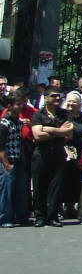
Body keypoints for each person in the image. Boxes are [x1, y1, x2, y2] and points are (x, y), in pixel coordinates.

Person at [30, 87, 72, 227]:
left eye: (59, 96)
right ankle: (40, 216)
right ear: (46, 98)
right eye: (54, 96)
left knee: (56, 186)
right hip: (41, 154)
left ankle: (53, 215)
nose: (57, 98)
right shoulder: (38, 114)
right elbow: (37, 135)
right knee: (39, 186)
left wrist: (47, 129)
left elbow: (69, 134)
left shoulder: (64, 114)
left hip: (58, 153)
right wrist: (59, 131)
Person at [0, 91, 30, 227]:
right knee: (6, 190)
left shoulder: (18, 122)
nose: (21, 107)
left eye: (22, 104)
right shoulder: (4, 123)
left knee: (21, 189)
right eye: (18, 104)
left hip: (18, 159)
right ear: (10, 106)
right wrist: (5, 163)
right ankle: (5, 218)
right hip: (7, 160)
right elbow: (1, 146)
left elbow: (20, 141)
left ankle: (22, 216)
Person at [60, 92, 82, 221]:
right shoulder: (63, 115)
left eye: (74, 102)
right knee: (65, 178)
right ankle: (63, 206)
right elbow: (70, 128)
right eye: (69, 101)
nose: (71, 104)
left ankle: (72, 206)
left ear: (80, 104)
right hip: (67, 152)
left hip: (81, 152)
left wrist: (80, 129)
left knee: (77, 179)